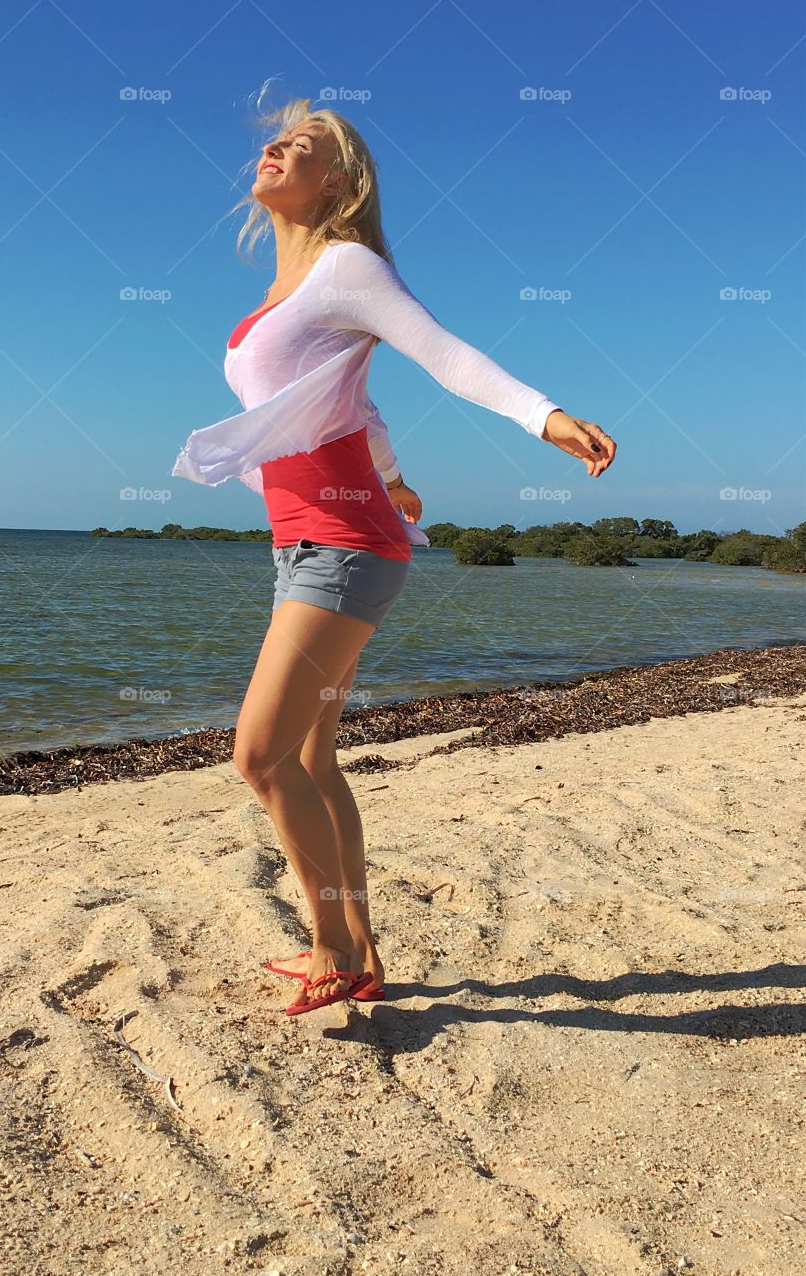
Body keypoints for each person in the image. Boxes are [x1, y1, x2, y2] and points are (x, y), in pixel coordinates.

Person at [172, 99, 616, 1015]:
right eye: (274, 137)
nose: (274, 148)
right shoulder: (284, 296)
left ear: (337, 180)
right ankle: (361, 951)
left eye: (302, 145)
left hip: (344, 550)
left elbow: (445, 355)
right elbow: (343, 404)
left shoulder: (348, 267)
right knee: (312, 762)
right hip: (311, 543)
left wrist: (544, 416)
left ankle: (331, 946)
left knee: (258, 758)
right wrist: (394, 472)